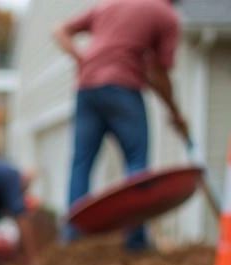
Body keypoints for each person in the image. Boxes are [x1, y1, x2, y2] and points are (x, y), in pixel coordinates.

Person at [54, 0, 186, 250]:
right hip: (123, 87)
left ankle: (73, 236)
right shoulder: (166, 15)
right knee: (136, 160)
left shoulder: (110, 4)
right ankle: (135, 239)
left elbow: (59, 30)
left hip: (87, 88)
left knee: (81, 161)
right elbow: (159, 72)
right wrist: (175, 112)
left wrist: (80, 58)